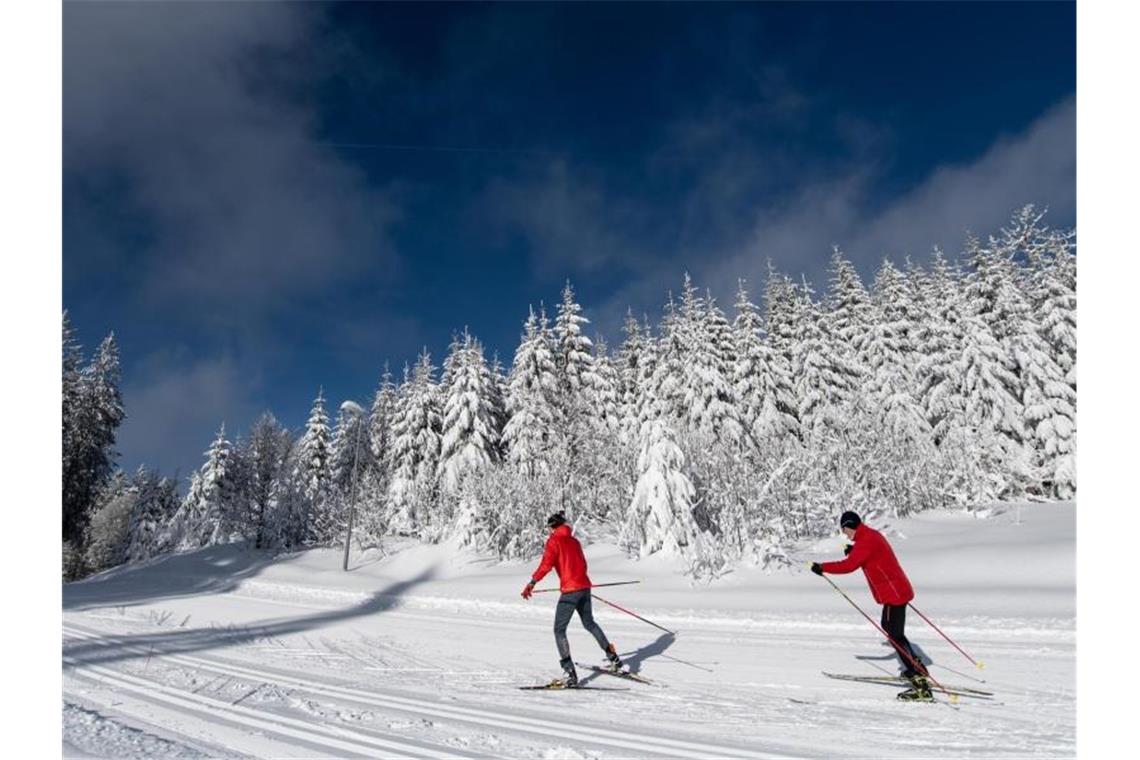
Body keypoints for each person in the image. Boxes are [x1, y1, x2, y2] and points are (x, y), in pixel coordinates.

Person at [811, 511, 932, 701]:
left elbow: (849, 566)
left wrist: (822, 567)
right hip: (897, 590)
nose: (845, 534)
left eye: (844, 530)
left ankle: (920, 685)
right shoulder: (869, 536)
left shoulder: (865, 541)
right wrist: (854, 551)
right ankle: (917, 668)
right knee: (891, 630)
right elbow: (869, 555)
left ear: (849, 525)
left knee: (894, 635)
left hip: (894, 593)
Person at [521, 511, 623, 687]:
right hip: (584, 587)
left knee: (559, 630)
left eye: (549, 528)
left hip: (570, 591)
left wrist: (532, 582)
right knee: (590, 623)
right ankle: (613, 657)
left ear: (553, 527)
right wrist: (579, 582)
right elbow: (583, 564)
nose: (549, 531)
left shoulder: (554, 541)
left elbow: (546, 565)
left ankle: (570, 674)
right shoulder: (574, 541)